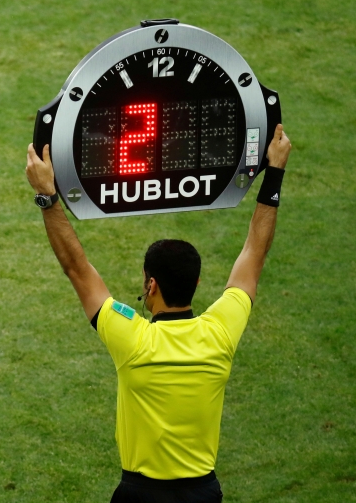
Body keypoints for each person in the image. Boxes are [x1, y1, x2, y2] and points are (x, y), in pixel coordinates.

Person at [25, 124, 291, 503]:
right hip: (204, 494)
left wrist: (47, 196)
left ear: (151, 286)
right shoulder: (220, 333)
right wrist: (275, 173)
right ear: (197, 285)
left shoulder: (134, 340)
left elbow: (76, 267)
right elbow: (255, 252)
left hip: (141, 496)